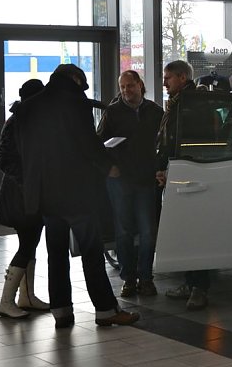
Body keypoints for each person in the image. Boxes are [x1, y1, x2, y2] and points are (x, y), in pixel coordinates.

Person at [14, 63, 139, 329]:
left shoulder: (29, 107)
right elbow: (88, 143)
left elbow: (23, 152)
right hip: (75, 192)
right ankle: (105, 309)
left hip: (44, 194)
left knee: (56, 254)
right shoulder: (75, 104)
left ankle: (61, 311)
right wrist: (109, 166)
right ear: (74, 79)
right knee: (91, 252)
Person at [97, 70, 164, 298]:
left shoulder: (155, 112)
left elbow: (163, 143)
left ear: (140, 85)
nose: (126, 91)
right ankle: (128, 279)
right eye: (122, 87)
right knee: (123, 231)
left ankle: (146, 278)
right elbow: (98, 143)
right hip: (120, 180)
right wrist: (109, 167)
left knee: (148, 231)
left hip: (146, 180)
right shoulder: (113, 112)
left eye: (130, 86)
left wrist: (160, 168)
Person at [155, 59, 210, 311]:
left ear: (182, 78)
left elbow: (192, 142)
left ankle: (199, 286)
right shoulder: (177, 103)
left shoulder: (193, 105)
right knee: (184, 232)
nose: (164, 83)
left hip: (190, 173)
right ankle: (190, 282)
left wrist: (174, 167)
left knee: (196, 233)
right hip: (177, 172)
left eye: (168, 78)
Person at [0, 78, 49, 318]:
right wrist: (29, 179)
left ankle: (26, 296)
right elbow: (5, 161)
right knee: (27, 245)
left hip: (28, 194)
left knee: (30, 244)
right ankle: (6, 301)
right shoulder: (18, 122)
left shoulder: (25, 120)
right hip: (22, 196)